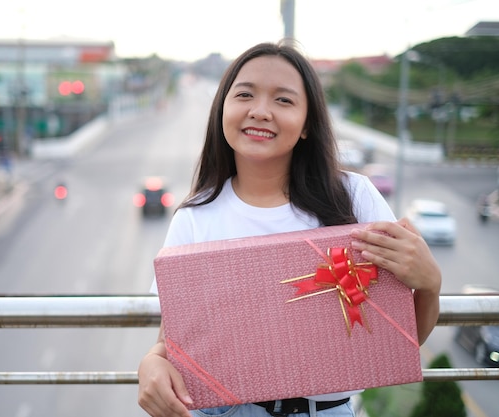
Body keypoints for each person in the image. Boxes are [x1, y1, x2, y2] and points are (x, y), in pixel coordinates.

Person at [138, 40, 441, 417]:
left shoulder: (355, 198)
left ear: (306, 126)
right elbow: (176, 340)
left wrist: (430, 284)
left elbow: (396, 340)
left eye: (283, 100)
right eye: (245, 94)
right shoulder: (194, 218)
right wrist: (152, 361)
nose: (260, 111)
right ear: (222, 111)